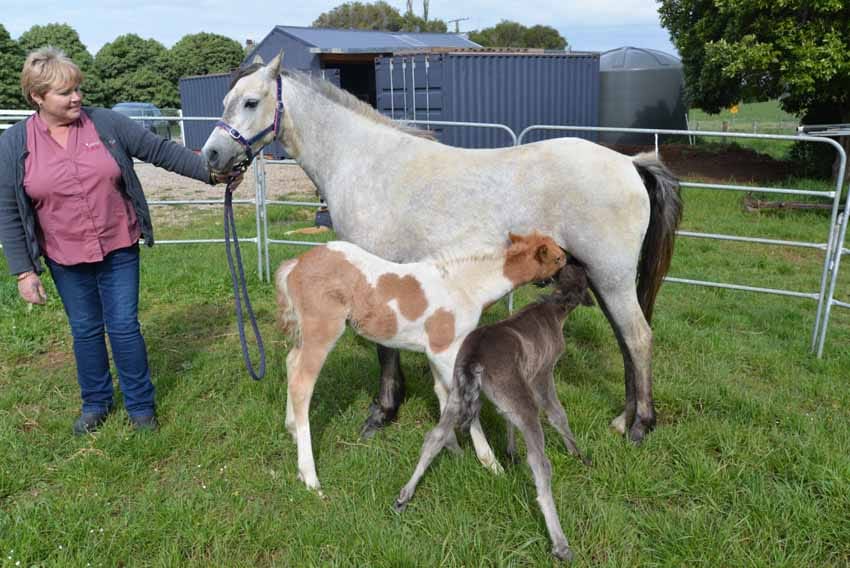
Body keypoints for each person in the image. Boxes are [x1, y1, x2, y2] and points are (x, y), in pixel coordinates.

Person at [0, 47, 240, 435]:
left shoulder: (106, 124)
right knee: (85, 330)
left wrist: (210, 173)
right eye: (65, 92)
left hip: (117, 246)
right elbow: (8, 209)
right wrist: (24, 271)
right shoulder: (14, 144)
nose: (76, 97)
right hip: (64, 255)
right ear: (37, 97)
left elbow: (159, 151)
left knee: (125, 326)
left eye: (78, 88)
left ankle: (140, 406)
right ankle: (96, 403)